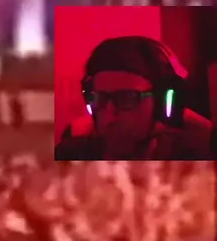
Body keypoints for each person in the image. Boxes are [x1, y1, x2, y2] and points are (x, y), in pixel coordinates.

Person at [55, 35, 213, 161]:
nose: (109, 116)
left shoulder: (192, 158)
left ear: (161, 103)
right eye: (100, 98)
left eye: (127, 98)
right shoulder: (69, 155)